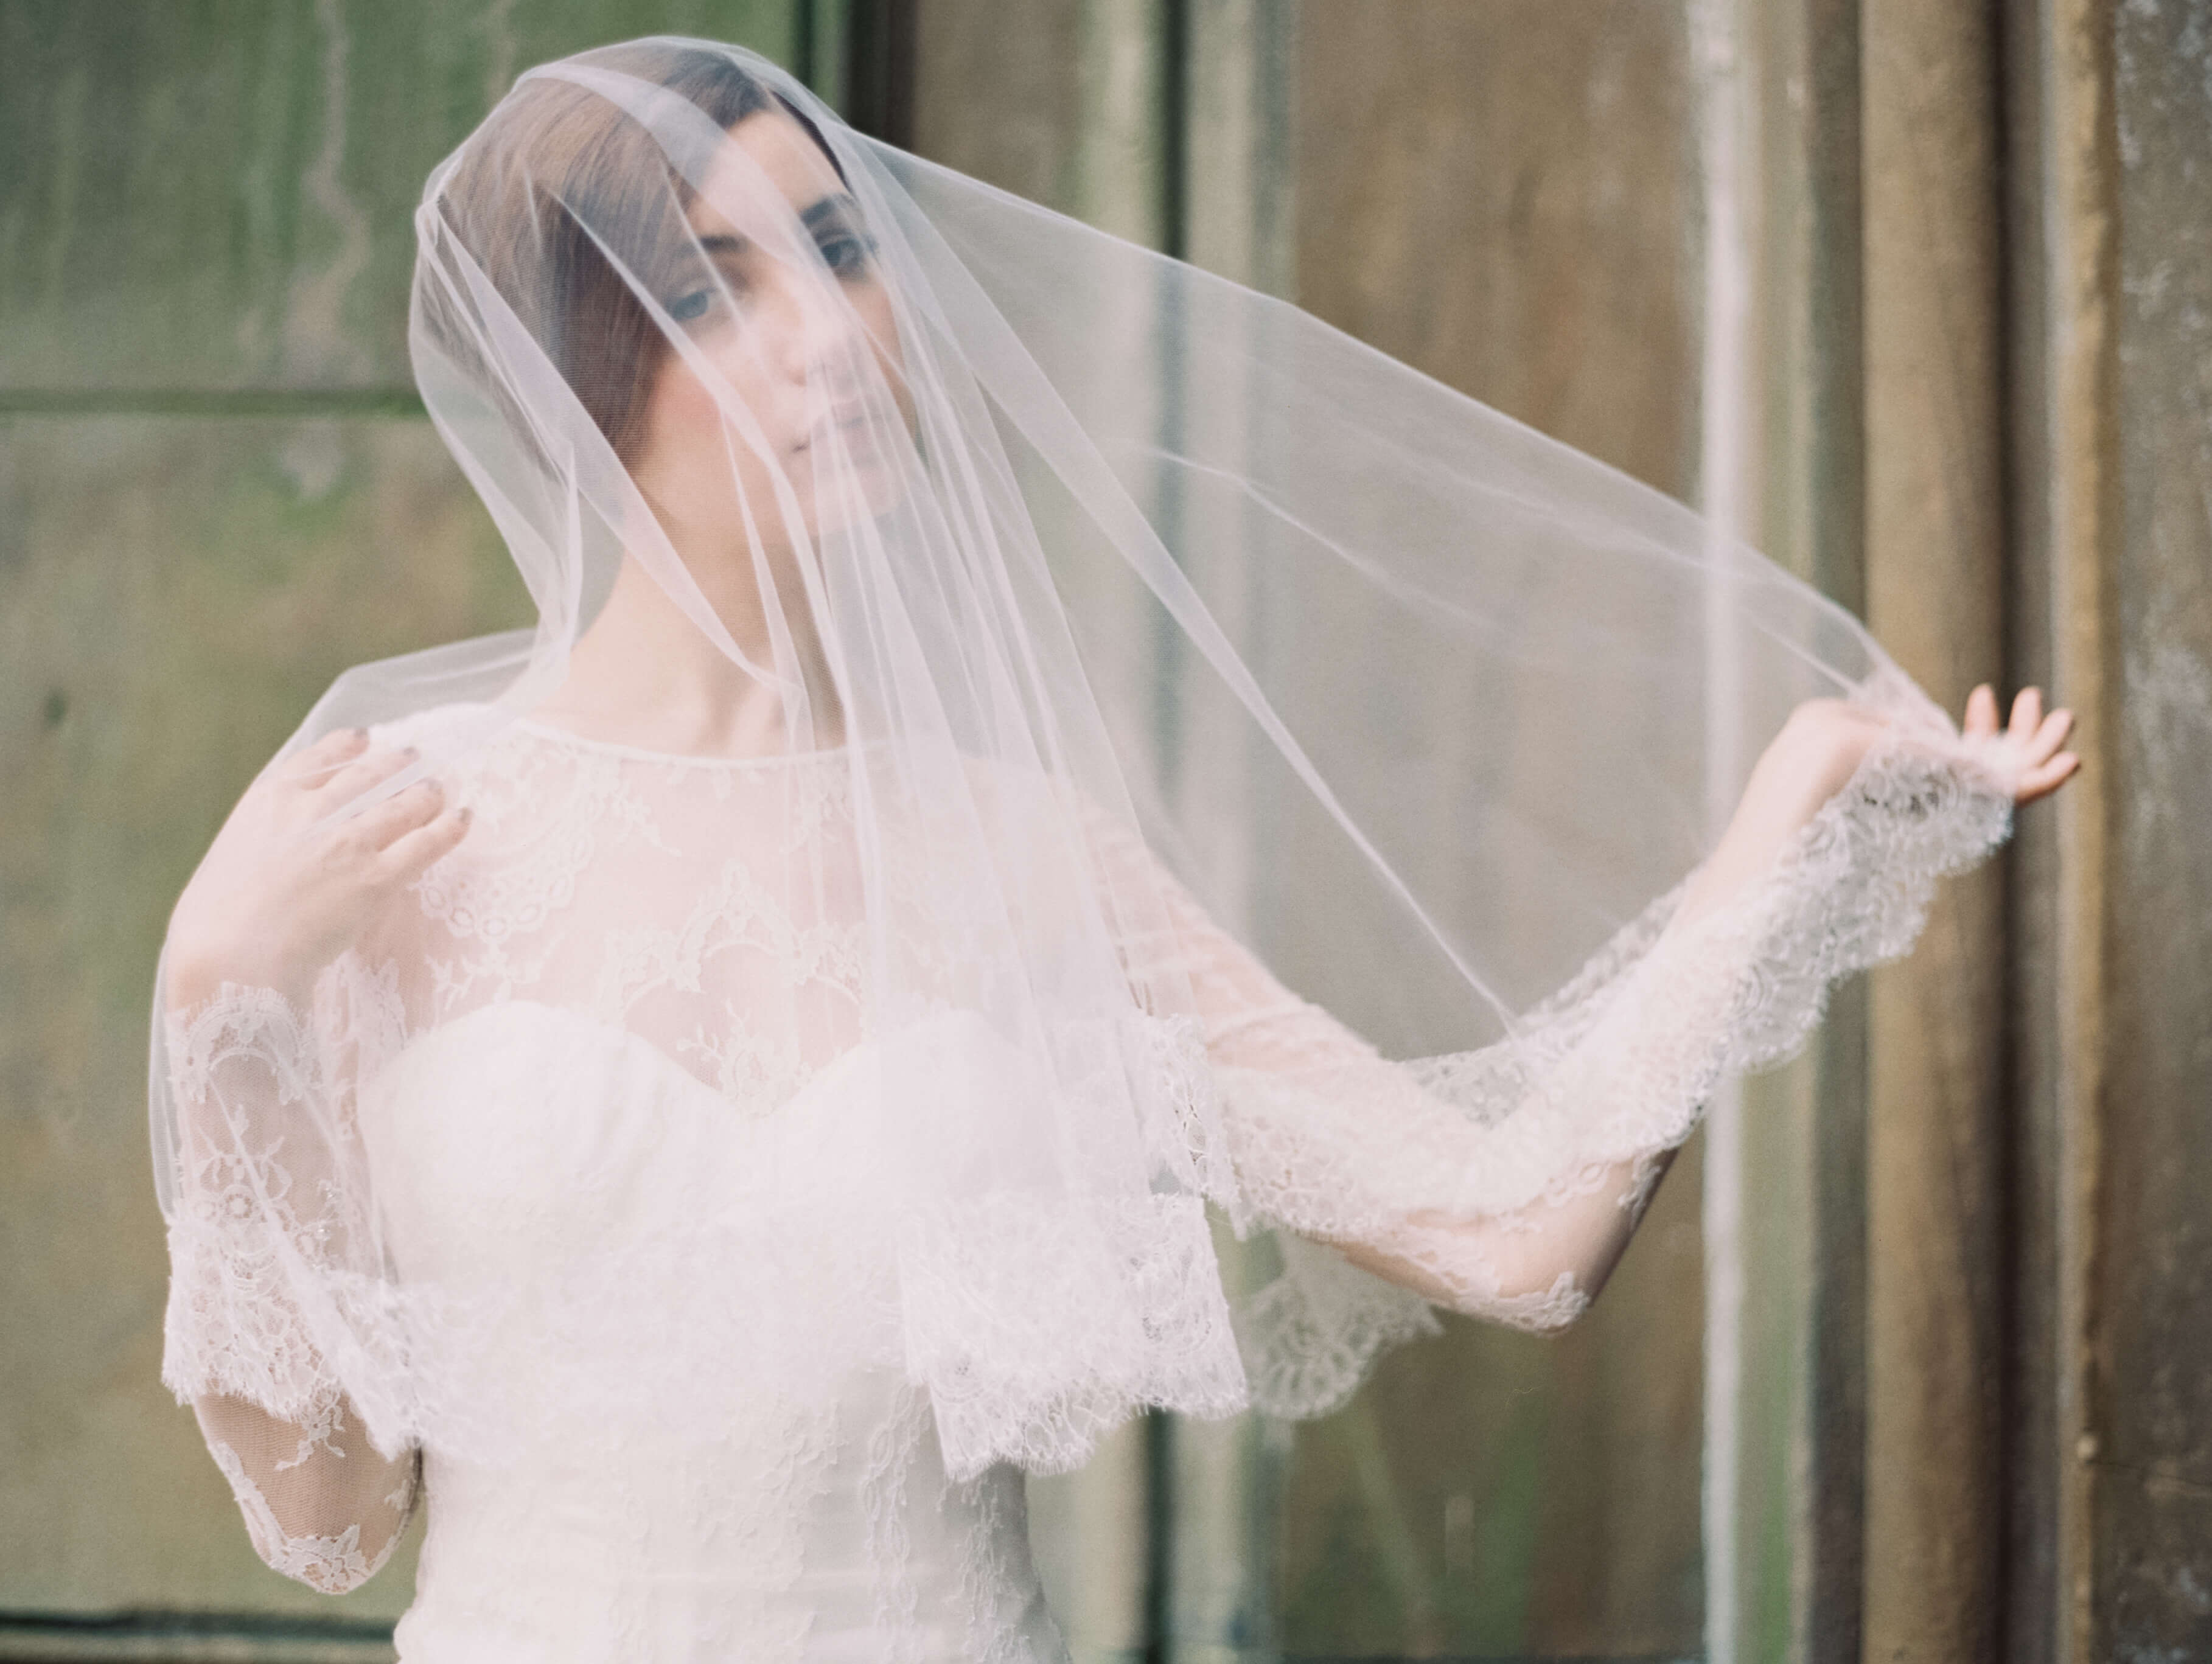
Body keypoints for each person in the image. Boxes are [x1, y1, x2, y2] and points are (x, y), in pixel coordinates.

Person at [150, 35, 2077, 1662]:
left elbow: (1509, 1235)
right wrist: (216, 992)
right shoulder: (389, 832)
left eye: (834, 247)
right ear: (575, 375)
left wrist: (1783, 812)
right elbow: (325, 1509)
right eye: (715, 284)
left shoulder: (1014, 856)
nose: (824, 331)